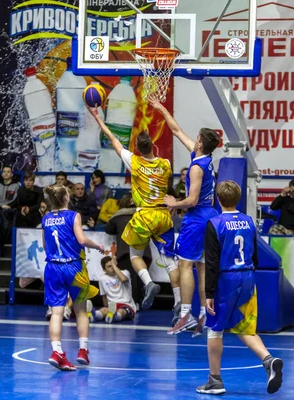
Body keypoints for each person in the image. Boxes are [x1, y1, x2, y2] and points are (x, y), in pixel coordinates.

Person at [89, 106, 178, 311]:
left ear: (137, 148)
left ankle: (149, 283)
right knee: (170, 261)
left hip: (144, 215)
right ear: (153, 145)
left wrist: (98, 118)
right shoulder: (165, 164)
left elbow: (112, 139)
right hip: (163, 216)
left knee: (135, 256)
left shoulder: (134, 162)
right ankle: (180, 303)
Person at [197, 181, 283, 396]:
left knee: (215, 329)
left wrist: (208, 294)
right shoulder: (249, 222)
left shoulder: (214, 223)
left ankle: (215, 380)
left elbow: (212, 262)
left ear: (217, 199)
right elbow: (255, 255)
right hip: (247, 277)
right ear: (238, 198)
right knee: (245, 327)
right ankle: (268, 360)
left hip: (226, 279)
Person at [151, 99, 221, 335]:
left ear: (200, 142)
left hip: (197, 217)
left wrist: (174, 203)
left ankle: (185, 315)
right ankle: (203, 314)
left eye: (197, 137)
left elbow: (191, 200)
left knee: (184, 264)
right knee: (201, 267)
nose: (194, 137)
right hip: (210, 215)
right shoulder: (205, 159)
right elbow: (177, 130)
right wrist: (162, 110)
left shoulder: (196, 167)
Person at [42, 185, 104, 371]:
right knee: (81, 311)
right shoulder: (73, 216)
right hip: (74, 267)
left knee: (56, 313)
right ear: (67, 198)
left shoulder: (45, 219)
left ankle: (57, 351)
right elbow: (82, 240)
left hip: (53, 267)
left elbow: (46, 247)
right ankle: (83, 350)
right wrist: (98, 246)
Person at [87, 256, 136, 323]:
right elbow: (104, 296)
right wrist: (106, 307)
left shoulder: (125, 272)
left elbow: (123, 279)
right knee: (103, 310)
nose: (112, 267)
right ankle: (92, 315)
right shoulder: (102, 278)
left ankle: (114, 316)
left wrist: (113, 265)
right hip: (111, 305)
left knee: (121, 312)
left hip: (126, 304)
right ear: (104, 270)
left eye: (113, 265)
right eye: (109, 266)